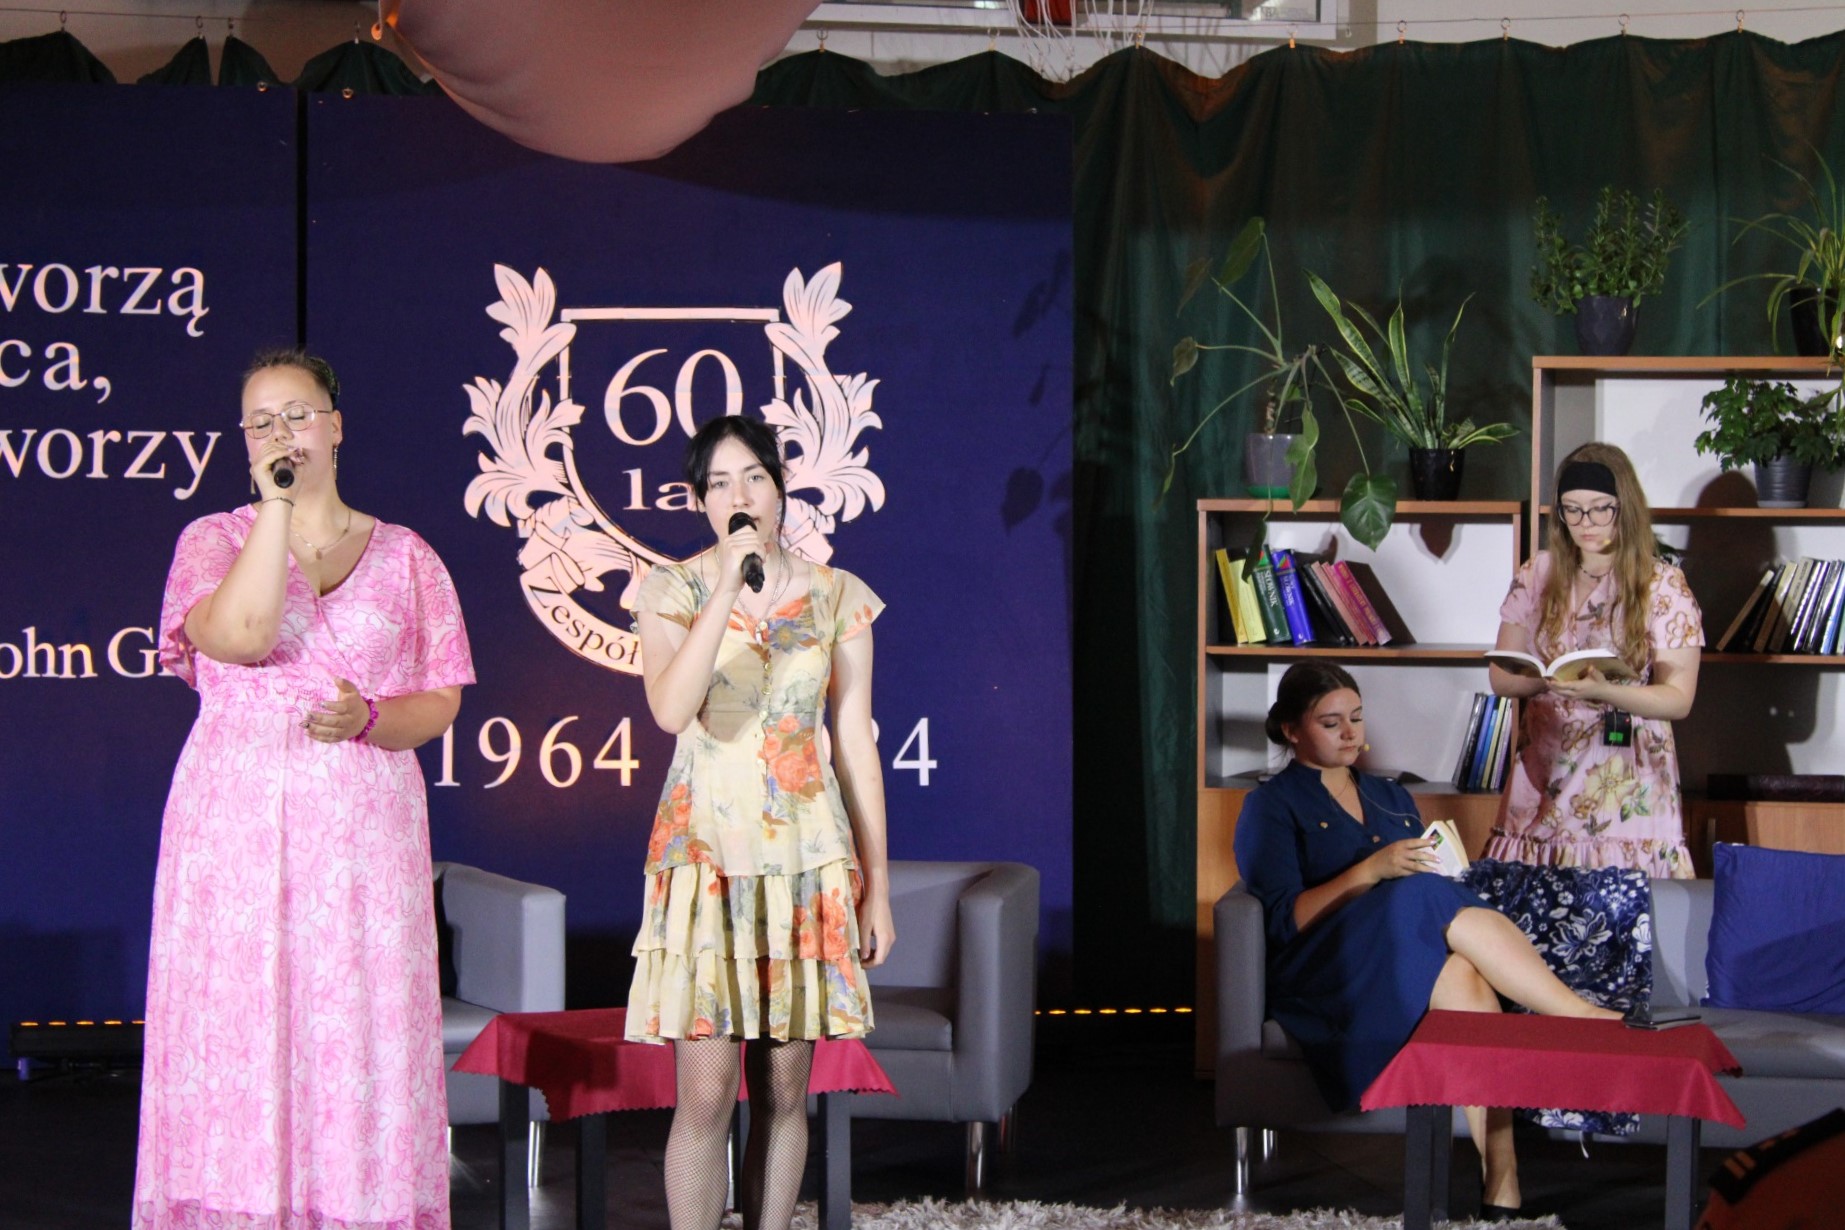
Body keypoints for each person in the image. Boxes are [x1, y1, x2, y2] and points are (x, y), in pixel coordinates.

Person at [134, 349, 474, 1230]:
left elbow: (439, 699)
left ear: (336, 424)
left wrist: (370, 716)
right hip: (234, 822)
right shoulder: (211, 541)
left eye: (297, 414)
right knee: (238, 1015)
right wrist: (275, 510)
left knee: (352, 1020)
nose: (281, 433)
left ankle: (357, 1208)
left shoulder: (409, 557)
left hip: (363, 830)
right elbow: (243, 637)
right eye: (260, 422)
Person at [626, 415, 895, 1230]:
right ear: (698, 501)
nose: (738, 495)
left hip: (805, 858)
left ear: (780, 488)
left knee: (783, 1091)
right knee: (706, 1092)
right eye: (718, 484)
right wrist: (723, 592)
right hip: (705, 857)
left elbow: (855, 742)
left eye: (753, 477)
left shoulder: (837, 594)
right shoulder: (670, 590)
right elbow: (670, 709)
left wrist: (877, 888)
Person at [1234, 662, 1619, 1218]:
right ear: (1292, 730)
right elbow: (1281, 922)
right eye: (1331, 723)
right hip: (1324, 970)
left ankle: (1503, 1183)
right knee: (1418, 894)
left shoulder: (1391, 795)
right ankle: (1575, 1013)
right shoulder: (1270, 805)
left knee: (1462, 973)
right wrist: (1371, 871)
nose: (1350, 733)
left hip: (1403, 953)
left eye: (1357, 718)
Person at [1485, 442, 1703, 876]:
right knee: (1530, 901)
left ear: (1625, 508)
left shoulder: (1662, 584)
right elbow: (1501, 678)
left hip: (1624, 774)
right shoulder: (1537, 573)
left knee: (1618, 900)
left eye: (1601, 509)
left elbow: (1678, 699)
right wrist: (1550, 681)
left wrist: (1604, 691)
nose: (1586, 523)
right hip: (1544, 768)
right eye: (1573, 510)